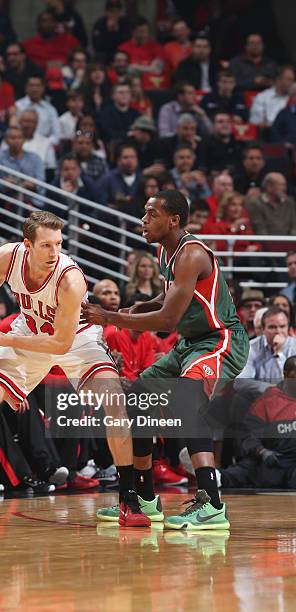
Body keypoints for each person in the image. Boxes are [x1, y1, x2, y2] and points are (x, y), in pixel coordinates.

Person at [0, 211, 152, 527]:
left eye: (58, 244)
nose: (54, 253)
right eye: (46, 245)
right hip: (29, 330)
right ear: (27, 245)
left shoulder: (70, 280)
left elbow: (59, 344)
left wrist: (2, 336)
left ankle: (129, 499)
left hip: (75, 338)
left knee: (114, 400)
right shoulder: (9, 255)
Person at [82, 189, 250, 529]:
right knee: (138, 395)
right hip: (190, 342)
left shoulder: (191, 254)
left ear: (174, 219)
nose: (143, 220)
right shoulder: (164, 251)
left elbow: (168, 321)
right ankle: (145, 499)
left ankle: (212, 504)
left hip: (220, 340)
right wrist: (144, 304)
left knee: (186, 399)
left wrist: (111, 316)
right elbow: (173, 294)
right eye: (144, 214)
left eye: (151, 214)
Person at [219, 356, 296, 489]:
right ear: (285, 375)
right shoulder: (267, 401)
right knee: (246, 470)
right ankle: (207, 474)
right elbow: (247, 436)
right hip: (274, 460)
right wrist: (262, 451)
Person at [234, 306, 296, 399]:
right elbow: (240, 382)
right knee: (238, 399)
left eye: (282, 326)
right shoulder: (251, 347)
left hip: (290, 400)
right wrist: (272, 389)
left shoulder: (294, 346)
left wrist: (279, 354)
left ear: (288, 327)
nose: (278, 331)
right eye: (272, 327)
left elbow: (290, 383)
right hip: (260, 399)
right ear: (263, 329)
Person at [0, 126, 45, 192]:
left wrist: (32, 185)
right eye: (13, 138)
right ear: (6, 140)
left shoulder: (35, 158)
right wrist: (4, 183)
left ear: (24, 140)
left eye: (19, 138)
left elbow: (41, 182)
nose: (16, 141)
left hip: (31, 197)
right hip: (6, 197)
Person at [246, 173, 296, 238]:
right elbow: (259, 230)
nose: (284, 188)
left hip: (289, 245)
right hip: (265, 245)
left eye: (284, 185)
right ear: (269, 186)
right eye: (281, 185)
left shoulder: (289, 203)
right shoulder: (255, 203)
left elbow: (294, 227)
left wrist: (290, 243)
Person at [15, 76, 61, 146]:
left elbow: (56, 134)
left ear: (43, 88)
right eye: (32, 85)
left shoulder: (50, 109)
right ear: (26, 88)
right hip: (21, 145)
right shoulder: (18, 106)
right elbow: (14, 129)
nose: (35, 89)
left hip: (45, 146)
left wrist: (44, 144)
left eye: (38, 86)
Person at [271, 83, 296, 147]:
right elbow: (274, 134)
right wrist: (283, 143)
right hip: (288, 150)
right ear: (292, 97)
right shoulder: (283, 113)